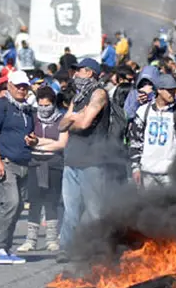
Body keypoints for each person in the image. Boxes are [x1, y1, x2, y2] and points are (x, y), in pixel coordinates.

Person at [58, 58, 110, 258]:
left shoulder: (99, 94)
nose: (76, 74)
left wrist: (73, 119)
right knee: (70, 209)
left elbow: (85, 123)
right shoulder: (77, 97)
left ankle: (100, 250)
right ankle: (65, 248)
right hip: (71, 160)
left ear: (89, 72)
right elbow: (61, 125)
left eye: (79, 70)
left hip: (92, 161)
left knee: (95, 211)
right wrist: (74, 117)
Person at [0, 70, 37, 265]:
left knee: (18, 206)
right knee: (10, 203)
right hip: (6, 162)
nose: (22, 89)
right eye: (18, 86)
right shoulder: (0, 105)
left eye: (25, 86)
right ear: (9, 86)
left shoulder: (27, 109)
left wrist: (33, 141)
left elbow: (30, 134)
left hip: (24, 162)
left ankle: (6, 247)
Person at [17, 86, 68, 252]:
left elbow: (62, 144)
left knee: (51, 201)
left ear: (53, 104)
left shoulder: (62, 119)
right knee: (34, 202)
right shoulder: (32, 118)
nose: (44, 109)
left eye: (47, 105)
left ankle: (51, 239)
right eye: (41, 105)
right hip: (35, 163)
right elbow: (27, 139)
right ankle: (30, 240)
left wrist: (38, 142)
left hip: (54, 164)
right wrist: (48, 142)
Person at [129, 74, 176, 188]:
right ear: (159, 90)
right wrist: (135, 168)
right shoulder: (143, 111)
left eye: (174, 90)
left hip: (170, 173)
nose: (172, 93)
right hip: (147, 171)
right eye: (169, 90)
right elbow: (135, 141)